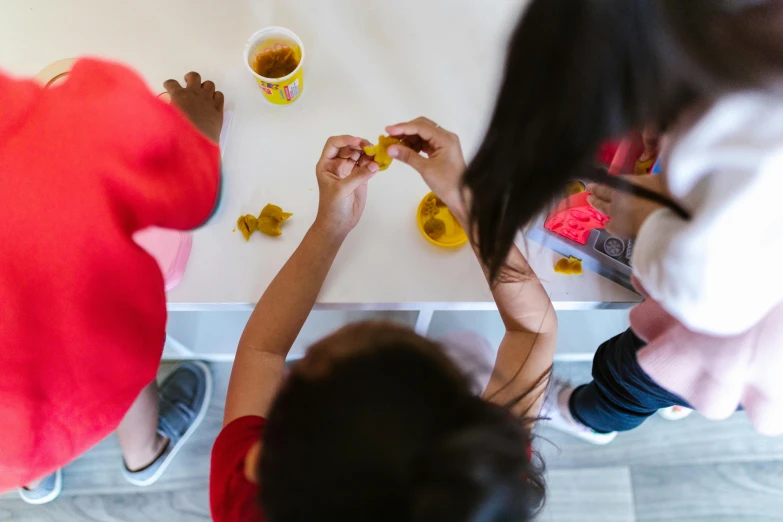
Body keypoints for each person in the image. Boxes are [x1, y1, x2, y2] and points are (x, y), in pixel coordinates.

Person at [389, 0, 783, 440]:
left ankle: (590, 416)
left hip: (730, 345)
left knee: (624, 383)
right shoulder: (745, 124)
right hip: (724, 311)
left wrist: (646, 218)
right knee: (631, 366)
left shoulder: (723, 251)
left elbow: (703, 292)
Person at [210, 124, 557, 522]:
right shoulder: (477, 479)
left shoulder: (244, 500)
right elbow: (533, 330)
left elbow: (261, 351)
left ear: (260, 459)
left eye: (305, 367)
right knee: (473, 342)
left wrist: (330, 225)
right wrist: (465, 200)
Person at [0, 59, 224, 502]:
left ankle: (34, 478)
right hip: (92, 361)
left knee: (18, 448)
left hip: (6, 437)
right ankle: (145, 454)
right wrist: (193, 132)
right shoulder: (48, 133)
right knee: (123, 381)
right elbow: (195, 195)